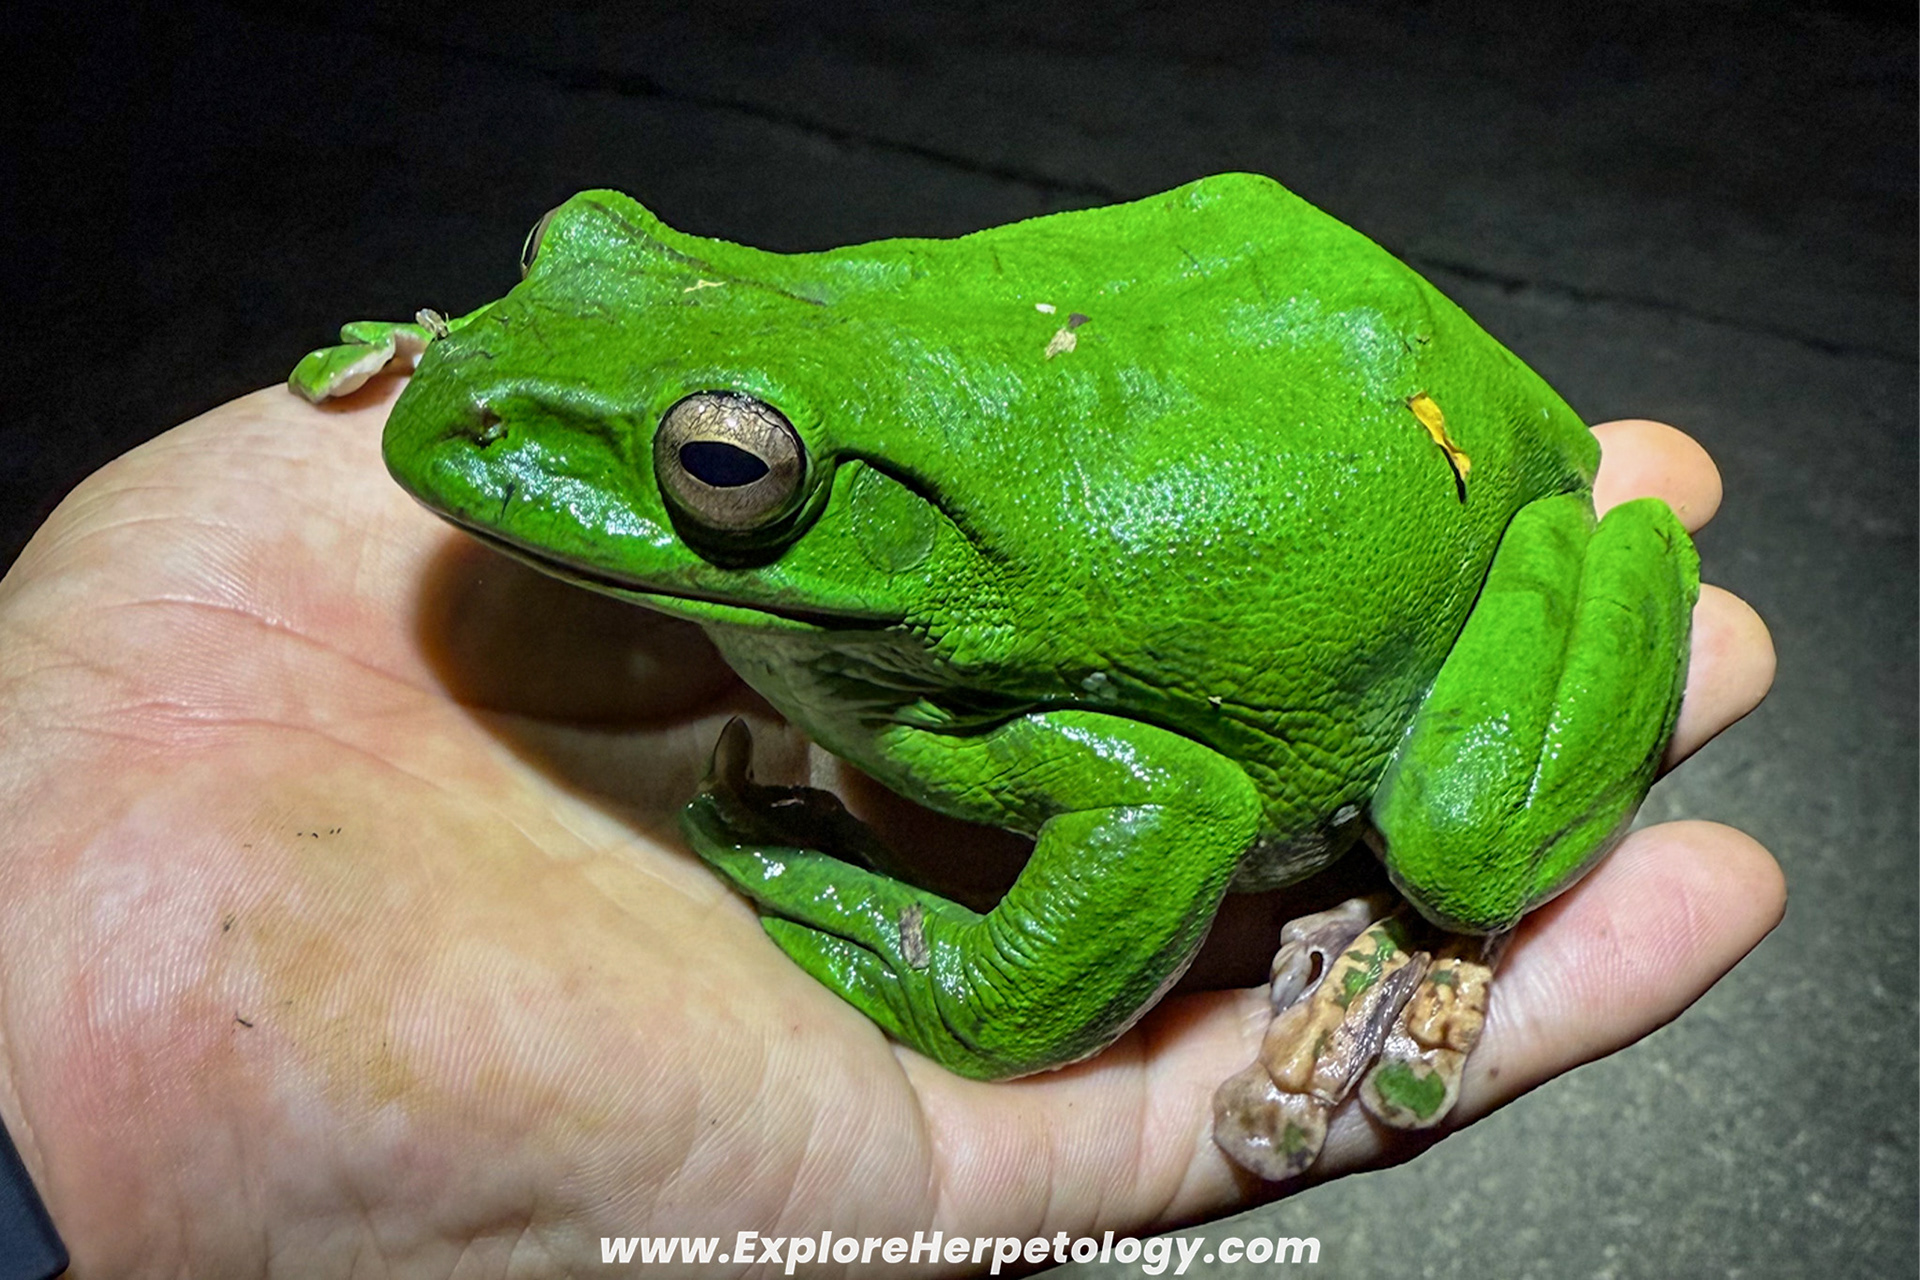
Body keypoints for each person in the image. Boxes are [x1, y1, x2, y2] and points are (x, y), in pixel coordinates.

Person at [0, 382, 1779, 1275]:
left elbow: (1180, 788)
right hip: (1279, 372)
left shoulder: (968, 670)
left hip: (1433, 511)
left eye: (714, 470)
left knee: (1459, 845)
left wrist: (976, 987)